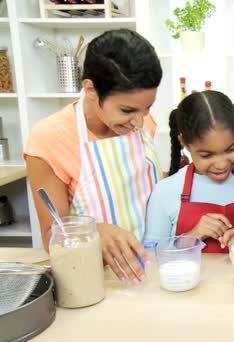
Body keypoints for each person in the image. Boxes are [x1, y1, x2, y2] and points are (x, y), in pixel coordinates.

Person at [25, 29, 163, 283]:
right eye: (127, 110)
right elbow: (51, 236)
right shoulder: (49, 138)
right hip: (96, 279)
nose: (140, 121)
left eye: (148, 108)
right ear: (90, 89)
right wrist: (96, 231)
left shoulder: (141, 122)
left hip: (156, 268)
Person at [144, 91, 234, 252]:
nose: (220, 164)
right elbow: (150, 256)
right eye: (207, 155)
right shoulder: (165, 191)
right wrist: (192, 237)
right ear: (184, 143)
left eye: (230, 149)